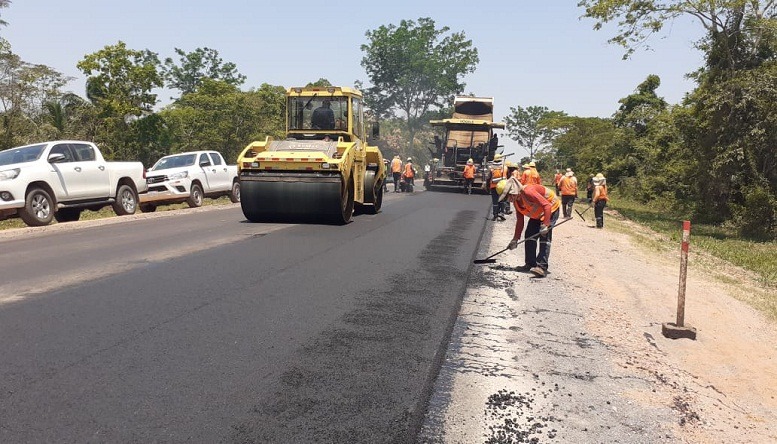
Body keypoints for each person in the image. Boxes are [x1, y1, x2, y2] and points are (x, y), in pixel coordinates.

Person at [498, 176, 561, 278]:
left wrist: (545, 224)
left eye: (507, 196)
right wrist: (515, 239)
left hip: (551, 209)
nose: (508, 200)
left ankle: (541, 267)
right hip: (538, 214)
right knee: (529, 235)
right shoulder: (516, 201)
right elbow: (520, 221)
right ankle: (530, 264)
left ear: (513, 191)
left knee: (544, 237)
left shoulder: (528, 192)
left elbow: (547, 206)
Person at [485, 153, 506, 221]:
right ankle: (502, 212)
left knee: (495, 202)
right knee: (501, 200)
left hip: (493, 186)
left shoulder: (491, 168)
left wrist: (487, 186)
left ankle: (495, 215)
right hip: (502, 186)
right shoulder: (504, 167)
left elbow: (488, 178)